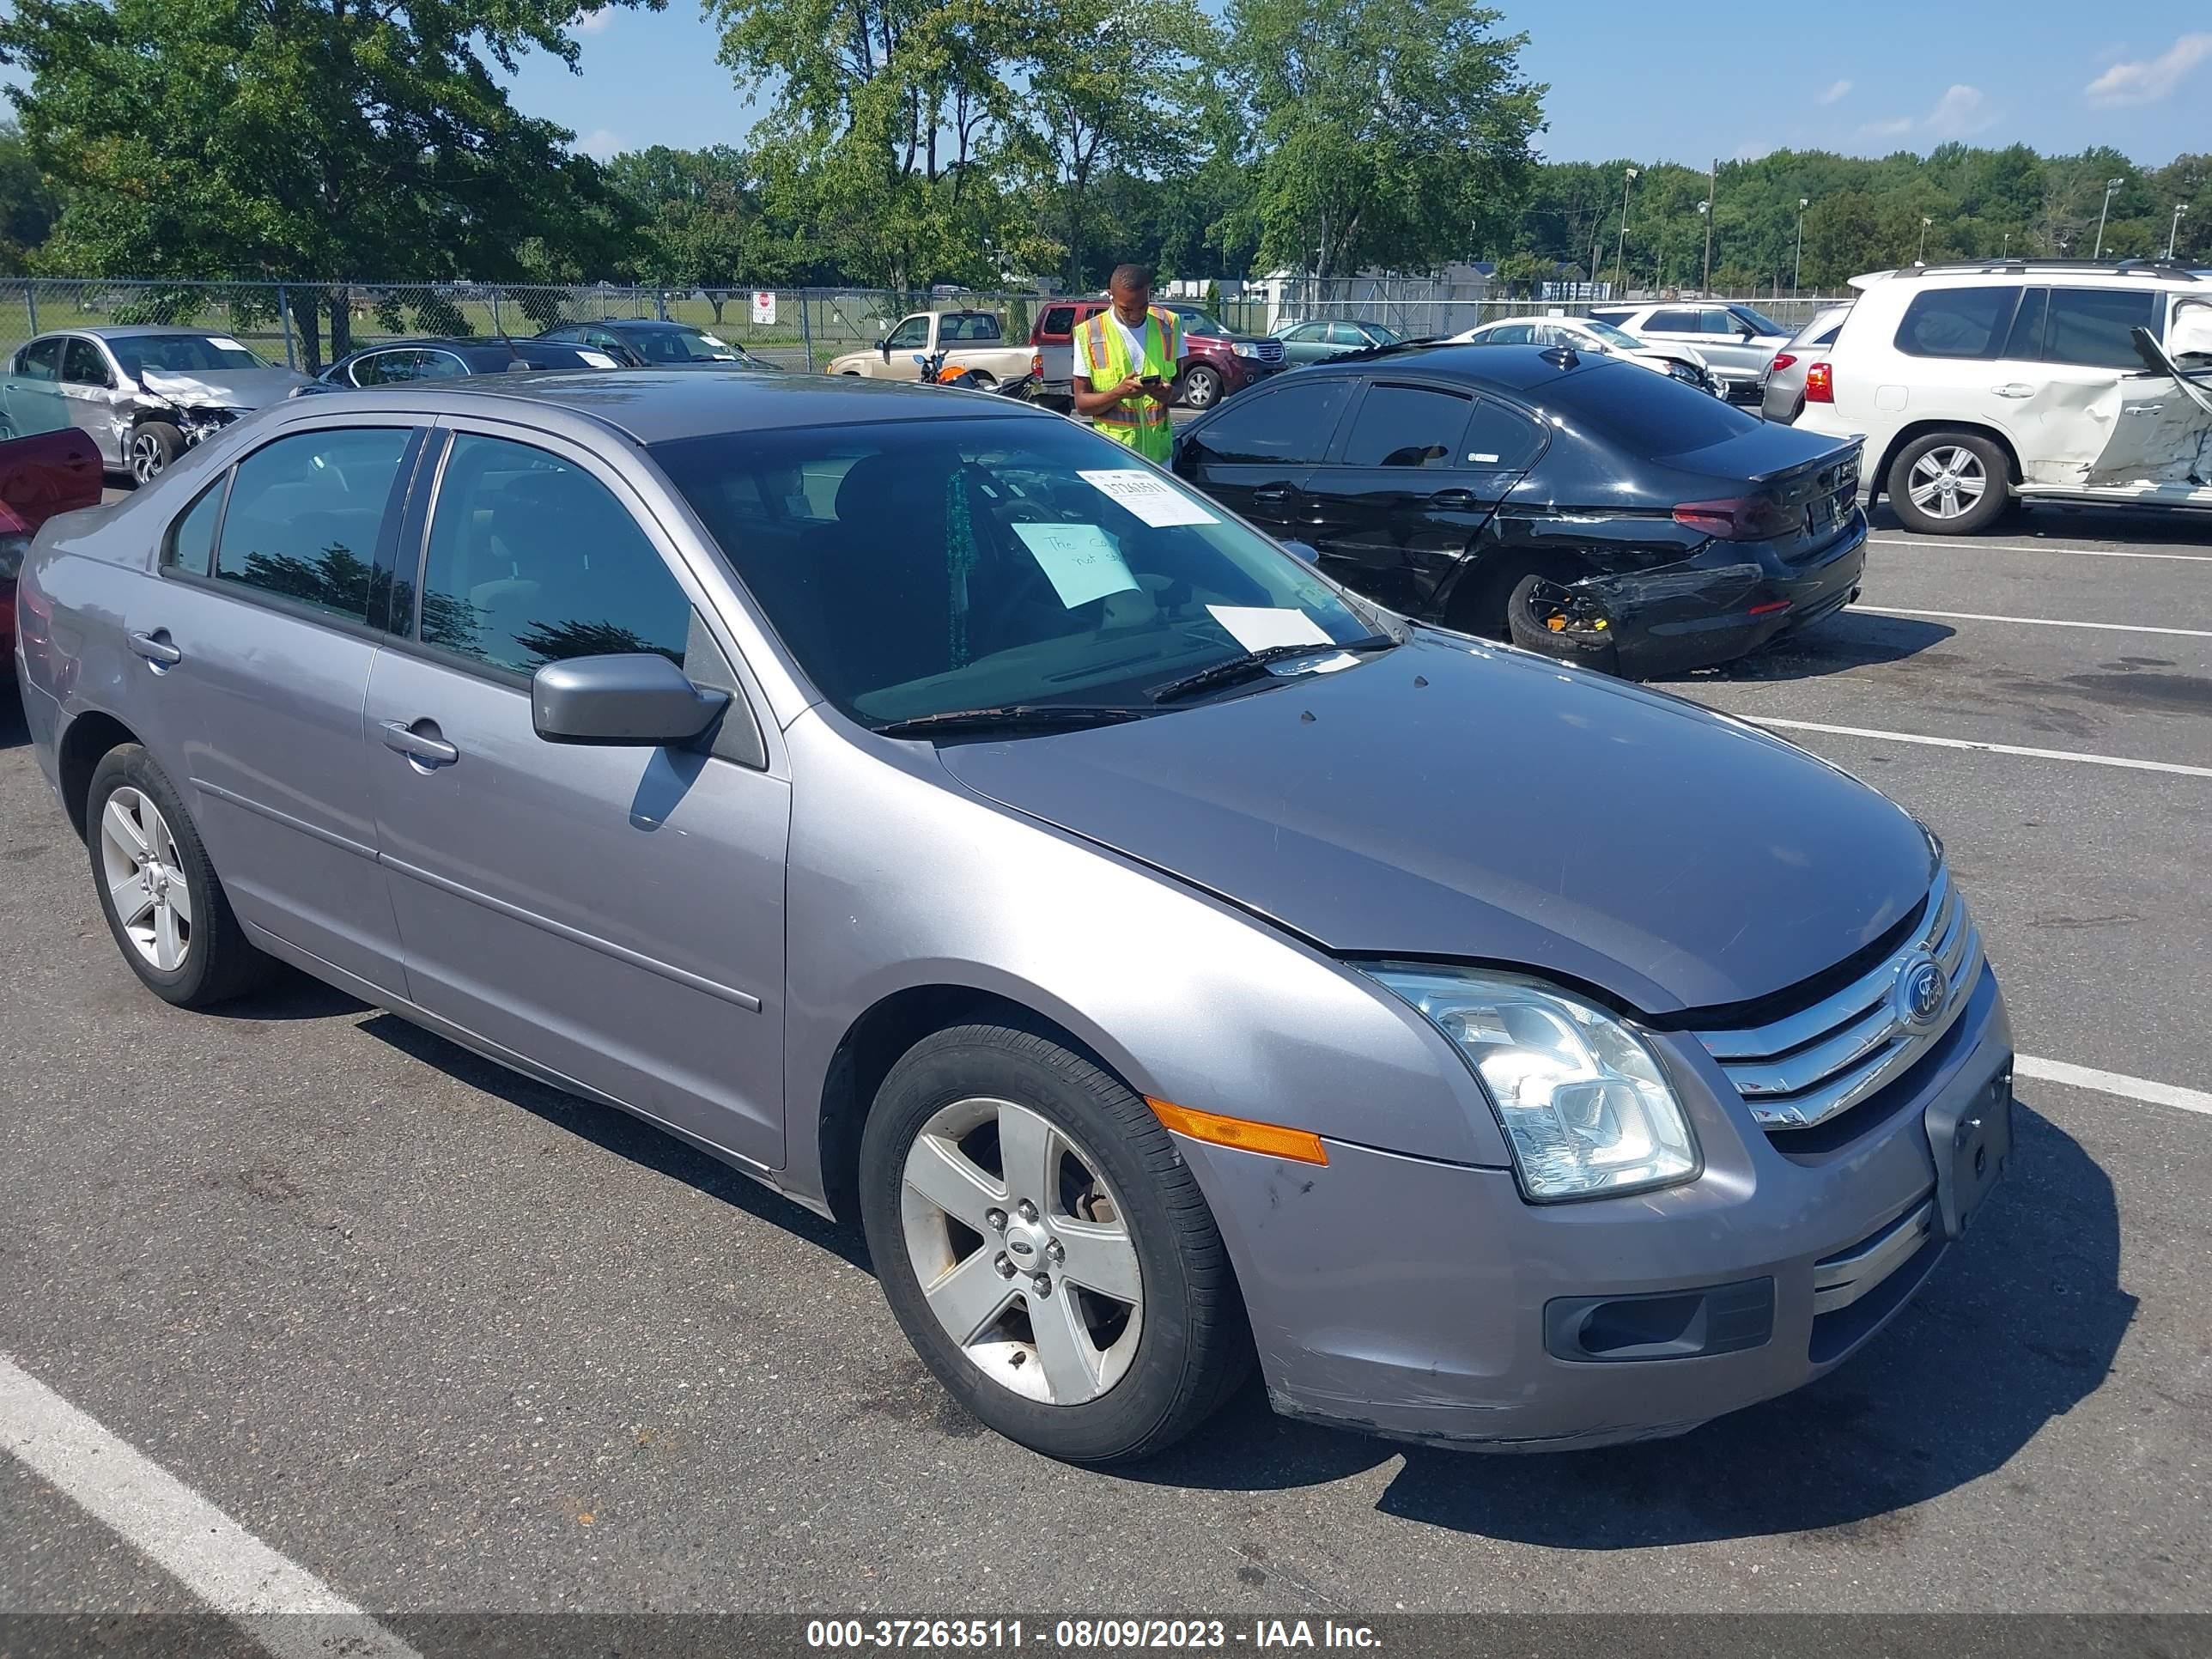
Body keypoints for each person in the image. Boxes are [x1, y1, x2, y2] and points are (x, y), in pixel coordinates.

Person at [1071, 264, 1187, 465]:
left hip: (1159, 459)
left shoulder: (1168, 324)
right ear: (1111, 297)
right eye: (1126, 309)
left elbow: (1179, 382)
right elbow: (1082, 404)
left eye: (1143, 306)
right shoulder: (1090, 333)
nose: (1135, 315)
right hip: (1113, 459)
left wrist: (1170, 394)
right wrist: (1119, 393)